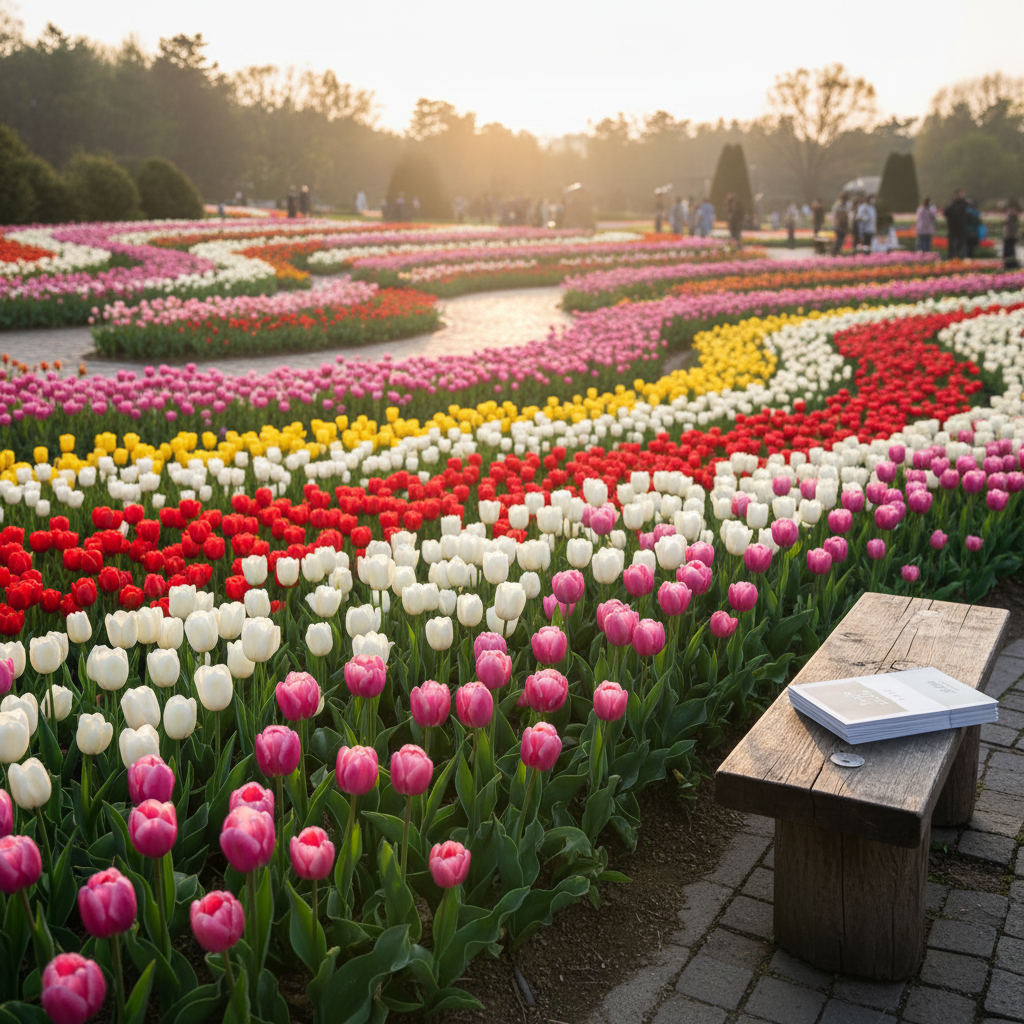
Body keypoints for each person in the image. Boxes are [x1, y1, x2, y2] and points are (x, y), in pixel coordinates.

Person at [944, 189, 969, 259]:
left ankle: (959, 257)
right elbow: (946, 213)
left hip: (962, 228)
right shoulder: (951, 205)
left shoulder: (965, 204)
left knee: (961, 244)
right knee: (952, 244)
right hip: (953, 228)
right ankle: (952, 257)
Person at [1004, 200, 1020, 269]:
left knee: (1010, 250)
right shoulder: (1012, 214)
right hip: (1010, 235)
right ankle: (1010, 263)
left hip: (1010, 236)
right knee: (1010, 250)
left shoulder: (1012, 214)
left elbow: (1008, 223)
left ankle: (1010, 263)